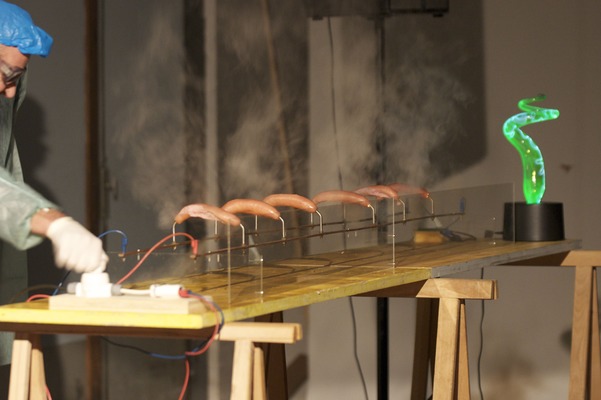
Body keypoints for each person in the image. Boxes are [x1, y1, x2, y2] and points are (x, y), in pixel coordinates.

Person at [0, 1, 108, 364]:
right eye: (6, 75)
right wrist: (54, 222)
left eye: (17, 78)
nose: (10, 92)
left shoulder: (6, 93)